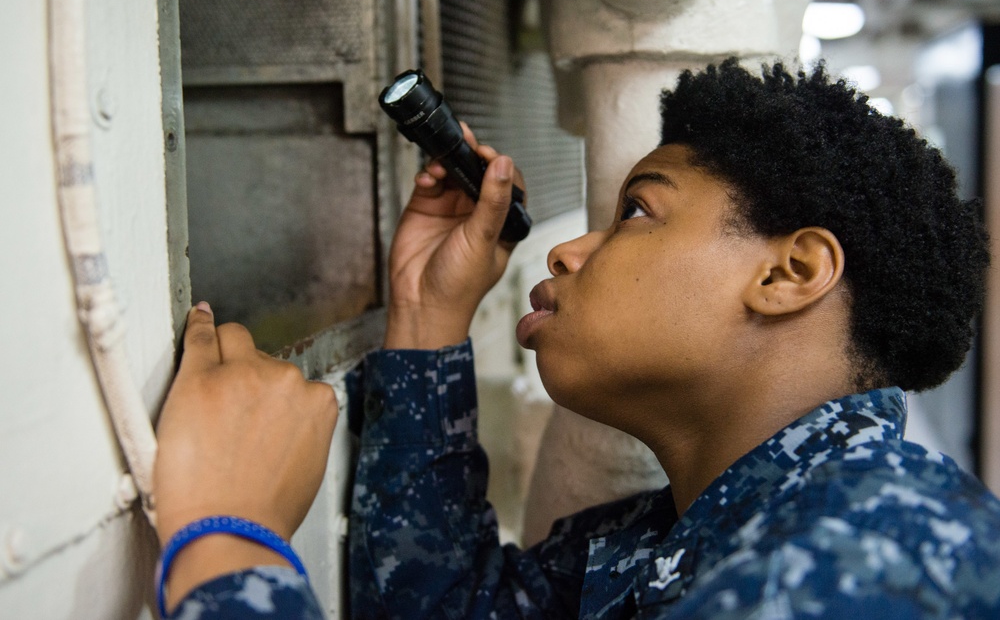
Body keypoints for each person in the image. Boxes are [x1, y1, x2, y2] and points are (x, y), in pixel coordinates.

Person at [155, 60, 1000, 619]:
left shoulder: (870, 559)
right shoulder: (691, 531)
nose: (566, 249)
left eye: (637, 211)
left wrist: (226, 546)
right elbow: (446, 607)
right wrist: (425, 314)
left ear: (790, 272)